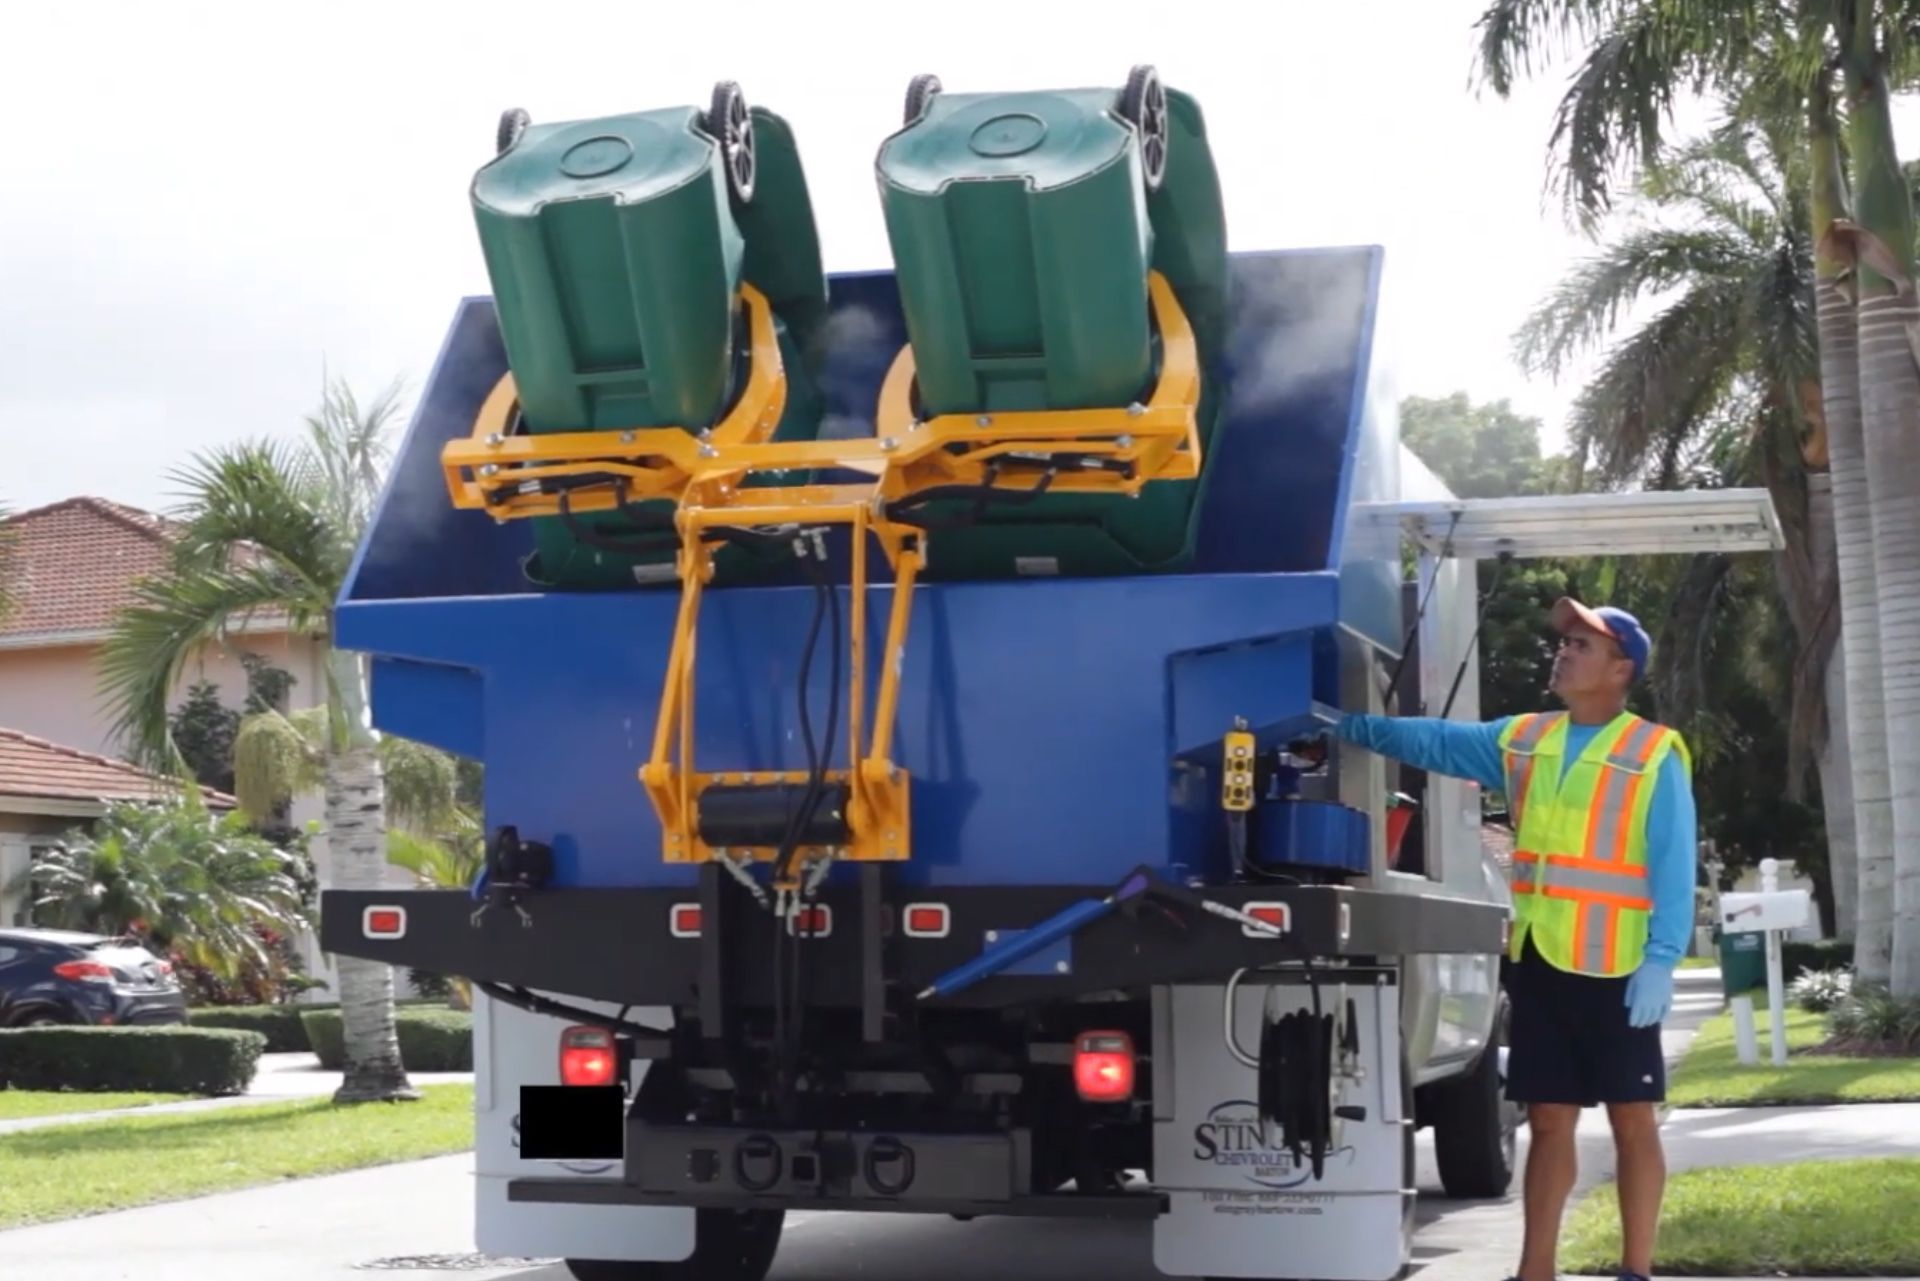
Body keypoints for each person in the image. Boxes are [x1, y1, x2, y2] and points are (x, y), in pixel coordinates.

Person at [1331, 597, 1695, 1281]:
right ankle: (1535, 1272)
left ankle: (1636, 1271)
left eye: (1582, 645)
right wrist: (1354, 727)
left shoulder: (1652, 753)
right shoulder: (1526, 738)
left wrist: (1662, 959)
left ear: (1621, 669)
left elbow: (1674, 864)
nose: (1563, 652)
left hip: (1620, 968)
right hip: (1543, 962)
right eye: (1565, 642)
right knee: (1550, 1119)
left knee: (1632, 1118)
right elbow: (1438, 743)